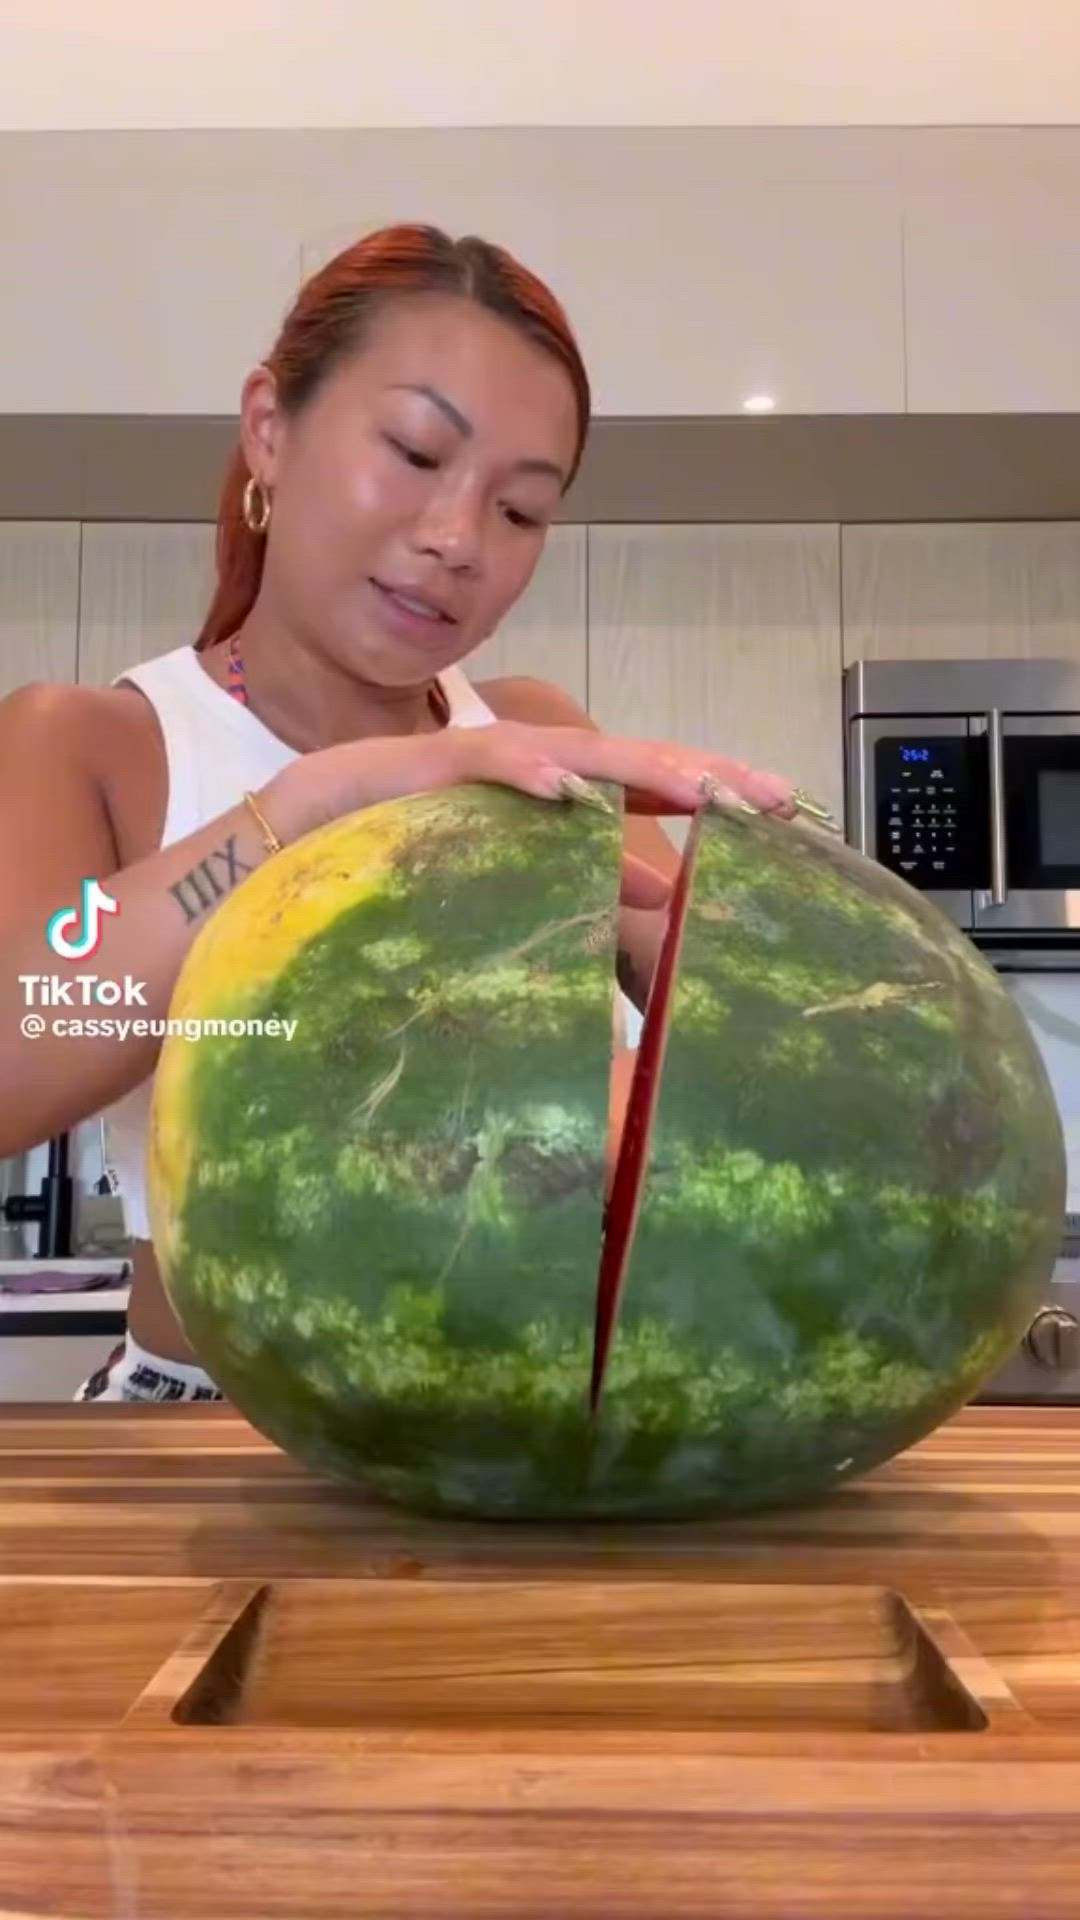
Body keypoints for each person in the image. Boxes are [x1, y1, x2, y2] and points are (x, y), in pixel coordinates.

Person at [0, 222, 809, 1404]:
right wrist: (319, 798)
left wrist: (746, 953)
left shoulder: (536, 736)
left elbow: (751, 1067)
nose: (456, 541)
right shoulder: (95, 744)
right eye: (418, 452)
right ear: (269, 429)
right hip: (208, 1440)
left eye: (522, 512)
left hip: (518, 1414)